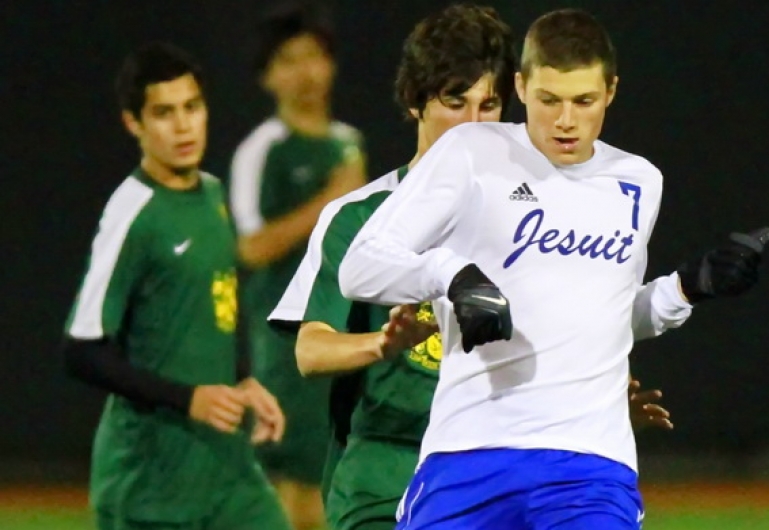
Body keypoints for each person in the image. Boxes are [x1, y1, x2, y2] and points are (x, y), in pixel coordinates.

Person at [337, 8, 769, 530]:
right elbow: (360, 266)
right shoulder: (473, 151)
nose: (566, 120)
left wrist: (687, 287)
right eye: (549, 100)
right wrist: (451, 275)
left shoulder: (638, 181)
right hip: (470, 447)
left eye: (583, 101)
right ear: (520, 86)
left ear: (611, 90)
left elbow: (604, 316)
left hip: (588, 463)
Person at [270, 6, 676, 530]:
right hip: (389, 467)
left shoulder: (529, 201)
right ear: (416, 102)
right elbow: (310, 349)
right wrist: (384, 344)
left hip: (498, 451)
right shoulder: (361, 217)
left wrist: (593, 395)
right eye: (454, 102)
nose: (473, 123)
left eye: (489, 105)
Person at [62, 42, 289, 530]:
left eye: (192, 107)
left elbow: (218, 303)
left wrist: (244, 379)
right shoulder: (133, 212)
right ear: (133, 123)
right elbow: (82, 350)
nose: (183, 125)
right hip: (150, 485)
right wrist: (190, 399)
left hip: (226, 474)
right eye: (163, 113)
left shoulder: (210, 192)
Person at [228, 3, 367, 528]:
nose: (305, 71)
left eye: (315, 57)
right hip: (287, 342)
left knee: (333, 482)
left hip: (342, 331)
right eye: (288, 60)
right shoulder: (263, 149)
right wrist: (329, 202)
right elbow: (251, 247)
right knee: (296, 489)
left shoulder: (347, 142)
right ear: (267, 76)